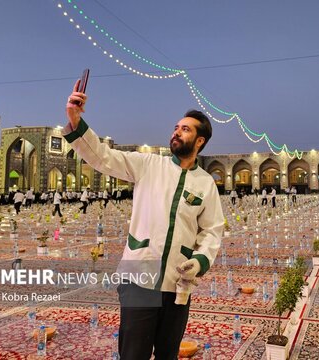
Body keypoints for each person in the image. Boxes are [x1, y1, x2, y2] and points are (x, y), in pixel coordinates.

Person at [65, 84, 223, 360]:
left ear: (200, 141)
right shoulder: (149, 165)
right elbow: (103, 156)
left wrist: (199, 262)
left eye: (185, 129)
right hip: (138, 275)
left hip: (178, 282)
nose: (176, 132)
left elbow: (212, 231)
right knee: (133, 353)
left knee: (167, 353)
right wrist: (76, 121)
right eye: (176, 127)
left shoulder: (206, 184)